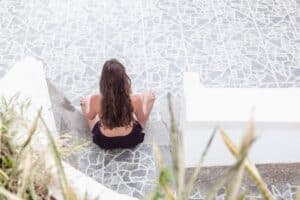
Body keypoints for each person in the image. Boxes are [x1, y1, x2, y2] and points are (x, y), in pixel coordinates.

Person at [80, 58, 155, 149]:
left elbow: (90, 117)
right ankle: (146, 99)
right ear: (124, 80)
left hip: (105, 141)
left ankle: (86, 105)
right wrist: (146, 101)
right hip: (130, 139)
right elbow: (142, 118)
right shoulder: (135, 99)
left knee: (87, 105)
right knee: (149, 97)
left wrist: (85, 107)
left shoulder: (95, 99)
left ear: (103, 81)